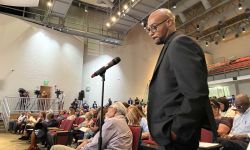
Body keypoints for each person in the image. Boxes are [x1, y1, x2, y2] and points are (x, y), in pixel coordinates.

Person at [146, 8, 217, 150]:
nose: (150, 32)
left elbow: (196, 92)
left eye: (154, 27)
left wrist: (176, 131)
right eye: (148, 29)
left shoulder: (180, 43)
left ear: (169, 22)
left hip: (178, 136)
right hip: (170, 135)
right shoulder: (170, 45)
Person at [51, 102, 132, 150]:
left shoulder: (113, 121)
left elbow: (97, 144)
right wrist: (88, 141)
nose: (107, 111)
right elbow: (100, 139)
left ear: (115, 110)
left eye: (109, 108)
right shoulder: (121, 121)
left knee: (55, 148)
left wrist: (83, 148)